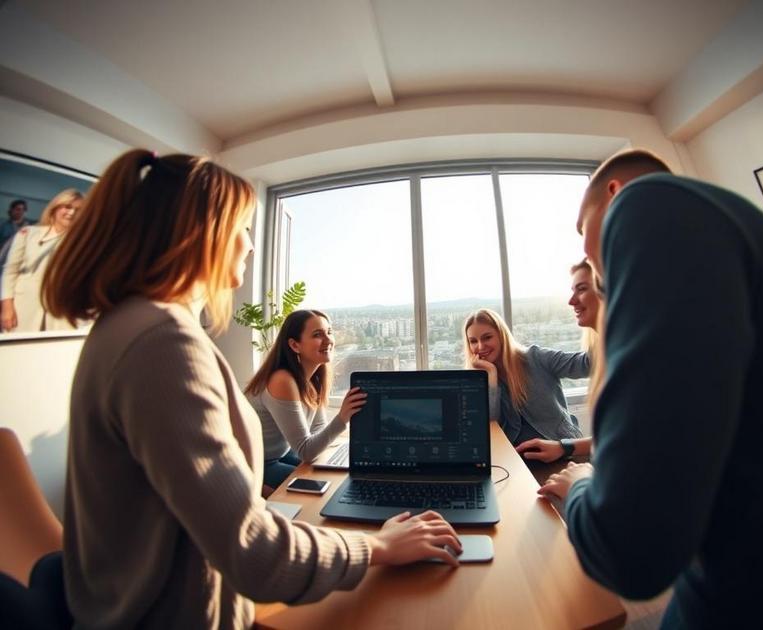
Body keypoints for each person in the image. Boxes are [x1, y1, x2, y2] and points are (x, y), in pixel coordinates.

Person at [41, 149, 462, 629]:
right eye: (241, 228)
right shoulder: (161, 342)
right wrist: (379, 546)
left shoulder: (129, 329)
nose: (249, 245)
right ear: (203, 233)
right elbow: (256, 556)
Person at [538, 149, 763, 628]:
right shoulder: (736, 238)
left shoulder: (645, 203)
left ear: (614, 194)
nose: (592, 268)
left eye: (584, 230)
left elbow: (629, 551)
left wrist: (580, 486)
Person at [244, 309, 367, 488]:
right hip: (256, 463)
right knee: (325, 485)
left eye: (329, 332)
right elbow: (306, 451)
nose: (328, 340)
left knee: (337, 477)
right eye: (318, 335)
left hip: (282, 454)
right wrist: (342, 418)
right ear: (295, 345)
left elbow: (318, 430)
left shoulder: (313, 378)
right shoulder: (282, 380)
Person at [463, 308, 589, 450]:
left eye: (487, 337)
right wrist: (491, 376)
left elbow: (585, 364)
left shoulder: (536, 358)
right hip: (516, 458)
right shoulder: (477, 378)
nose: (480, 346)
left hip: (560, 448)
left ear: (501, 336)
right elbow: (490, 424)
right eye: (473, 341)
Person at [515, 259, 601, 464]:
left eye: (581, 289)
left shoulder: (534, 358)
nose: (571, 301)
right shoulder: (607, 349)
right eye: (473, 341)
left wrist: (564, 447)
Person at [1, 190, 82, 332]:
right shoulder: (27, 233)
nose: (72, 213)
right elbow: (10, 271)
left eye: (78, 210)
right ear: (55, 207)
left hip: (59, 315)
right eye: (68, 207)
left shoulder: (80, 242)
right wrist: (7, 308)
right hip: (23, 309)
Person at [0, 199, 33, 267]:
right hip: (4, 261)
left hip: (21, 262)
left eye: (23, 210)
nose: (20, 212)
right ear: (11, 210)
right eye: (17, 209)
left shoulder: (30, 227)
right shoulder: (3, 226)